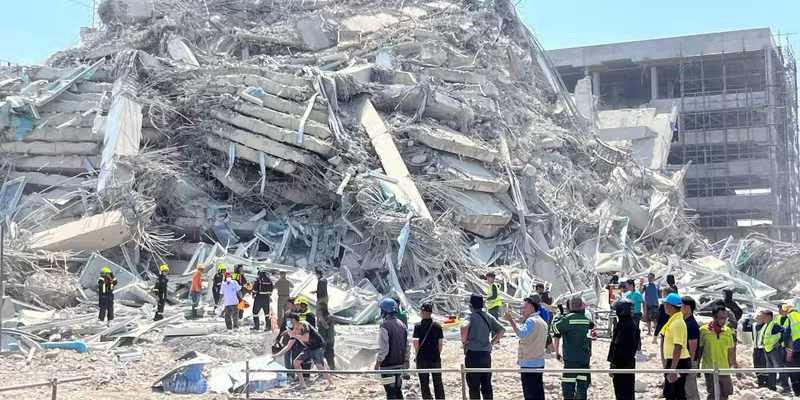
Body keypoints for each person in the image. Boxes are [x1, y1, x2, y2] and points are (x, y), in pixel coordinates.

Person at [273, 313, 334, 389]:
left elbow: (306, 338)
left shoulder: (304, 324)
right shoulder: (294, 330)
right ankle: (302, 384)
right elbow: (288, 346)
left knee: (320, 366)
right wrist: (276, 355)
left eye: (289, 320)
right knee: (296, 362)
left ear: (294, 320)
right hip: (309, 348)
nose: (288, 322)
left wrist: (294, 335)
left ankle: (331, 383)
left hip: (317, 346)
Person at [461, 294, 505, 399]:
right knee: (486, 384)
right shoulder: (488, 316)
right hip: (486, 354)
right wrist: (492, 343)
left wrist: (464, 341)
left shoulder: (470, 316)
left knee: (474, 386)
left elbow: (464, 327)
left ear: (471, 305)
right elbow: (502, 330)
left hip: (473, 354)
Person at [505, 296, 547, 400]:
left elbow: (521, 333)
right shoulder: (542, 321)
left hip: (529, 362)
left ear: (532, 307)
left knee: (529, 393)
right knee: (538, 392)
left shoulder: (531, 321)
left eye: (524, 308)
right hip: (539, 361)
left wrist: (511, 321)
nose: (522, 310)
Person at [553, 296, 593, 400]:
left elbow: (555, 329)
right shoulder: (585, 319)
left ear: (570, 306)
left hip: (571, 358)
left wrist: (559, 316)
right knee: (582, 386)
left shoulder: (568, 319)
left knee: (568, 386)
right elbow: (591, 325)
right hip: (584, 358)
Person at [699, 306, 738, 400]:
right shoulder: (703, 330)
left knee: (726, 393)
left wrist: (734, 363)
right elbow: (700, 350)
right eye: (721, 318)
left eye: (725, 318)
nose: (724, 321)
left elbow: (731, 349)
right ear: (714, 317)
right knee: (713, 394)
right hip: (709, 368)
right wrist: (697, 367)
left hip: (724, 368)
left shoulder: (728, 331)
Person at [376, 298, 409, 400]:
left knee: (390, 392)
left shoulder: (384, 326)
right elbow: (407, 345)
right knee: (398, 391)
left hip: (387, 366)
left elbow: (384, 349)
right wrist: (406, 360)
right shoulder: (402, 324)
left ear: (384, 311)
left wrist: (378, 362)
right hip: (399, 364)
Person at [660, 293, 691, 400]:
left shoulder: (677, 323)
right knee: (672, 393)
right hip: (675, 361)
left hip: (678, 362)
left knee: (675, 394)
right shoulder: (673, 320)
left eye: (665, 304)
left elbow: (678, 347)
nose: (664, 306)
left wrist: (673, 370)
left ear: (670, 306)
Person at [607, 298, 639, 400]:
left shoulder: (623, 326)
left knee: (622, 392)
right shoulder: (631, 324)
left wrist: (613, 364)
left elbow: (617, 347)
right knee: (628, 392)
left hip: (621, 364)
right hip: (629, 363)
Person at [413, 302, 445, 400]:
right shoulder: (437, 326)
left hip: (422, 358)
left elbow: (416, 344)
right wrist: (437, 354)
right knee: (438, 382)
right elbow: (440, 344)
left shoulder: (417, 326)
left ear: (424, 312)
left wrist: (417, 354)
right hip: (435, 358)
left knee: (424, 383)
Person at [757, 309, 787, 392]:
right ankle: (772, 386)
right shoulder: (766, 325)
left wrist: (779, 342)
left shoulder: (774, 325)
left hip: (774, 349)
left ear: (769, 317)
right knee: (770, 369)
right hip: (767, 349)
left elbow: (784, 332)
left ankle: (785, 386)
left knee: (779, 367)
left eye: (764, 317)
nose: (763, 318)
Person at [681, 296, 701, 400]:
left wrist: (689, 361)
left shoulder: (691, 324)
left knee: (690, 389)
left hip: (690, 360)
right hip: (685, 360)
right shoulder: (685, 322)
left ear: (688, 308)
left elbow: (693, 345)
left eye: (682, 306)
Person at [784, 304, 800, 396]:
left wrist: (787, 347)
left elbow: (787, 333)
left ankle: (797, 391)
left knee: (795, 369)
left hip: (797, 347)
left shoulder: (791, 317)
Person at [316, 302, 336, 370]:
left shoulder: (330, 317)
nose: (318, 311)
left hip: (329, 340)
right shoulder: (320, 318)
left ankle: (332, 370)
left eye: (319, 309)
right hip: (322, 340)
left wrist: (321, 319)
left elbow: (326, 326)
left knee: (329, 356)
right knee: (320, 356)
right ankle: (323, 371)